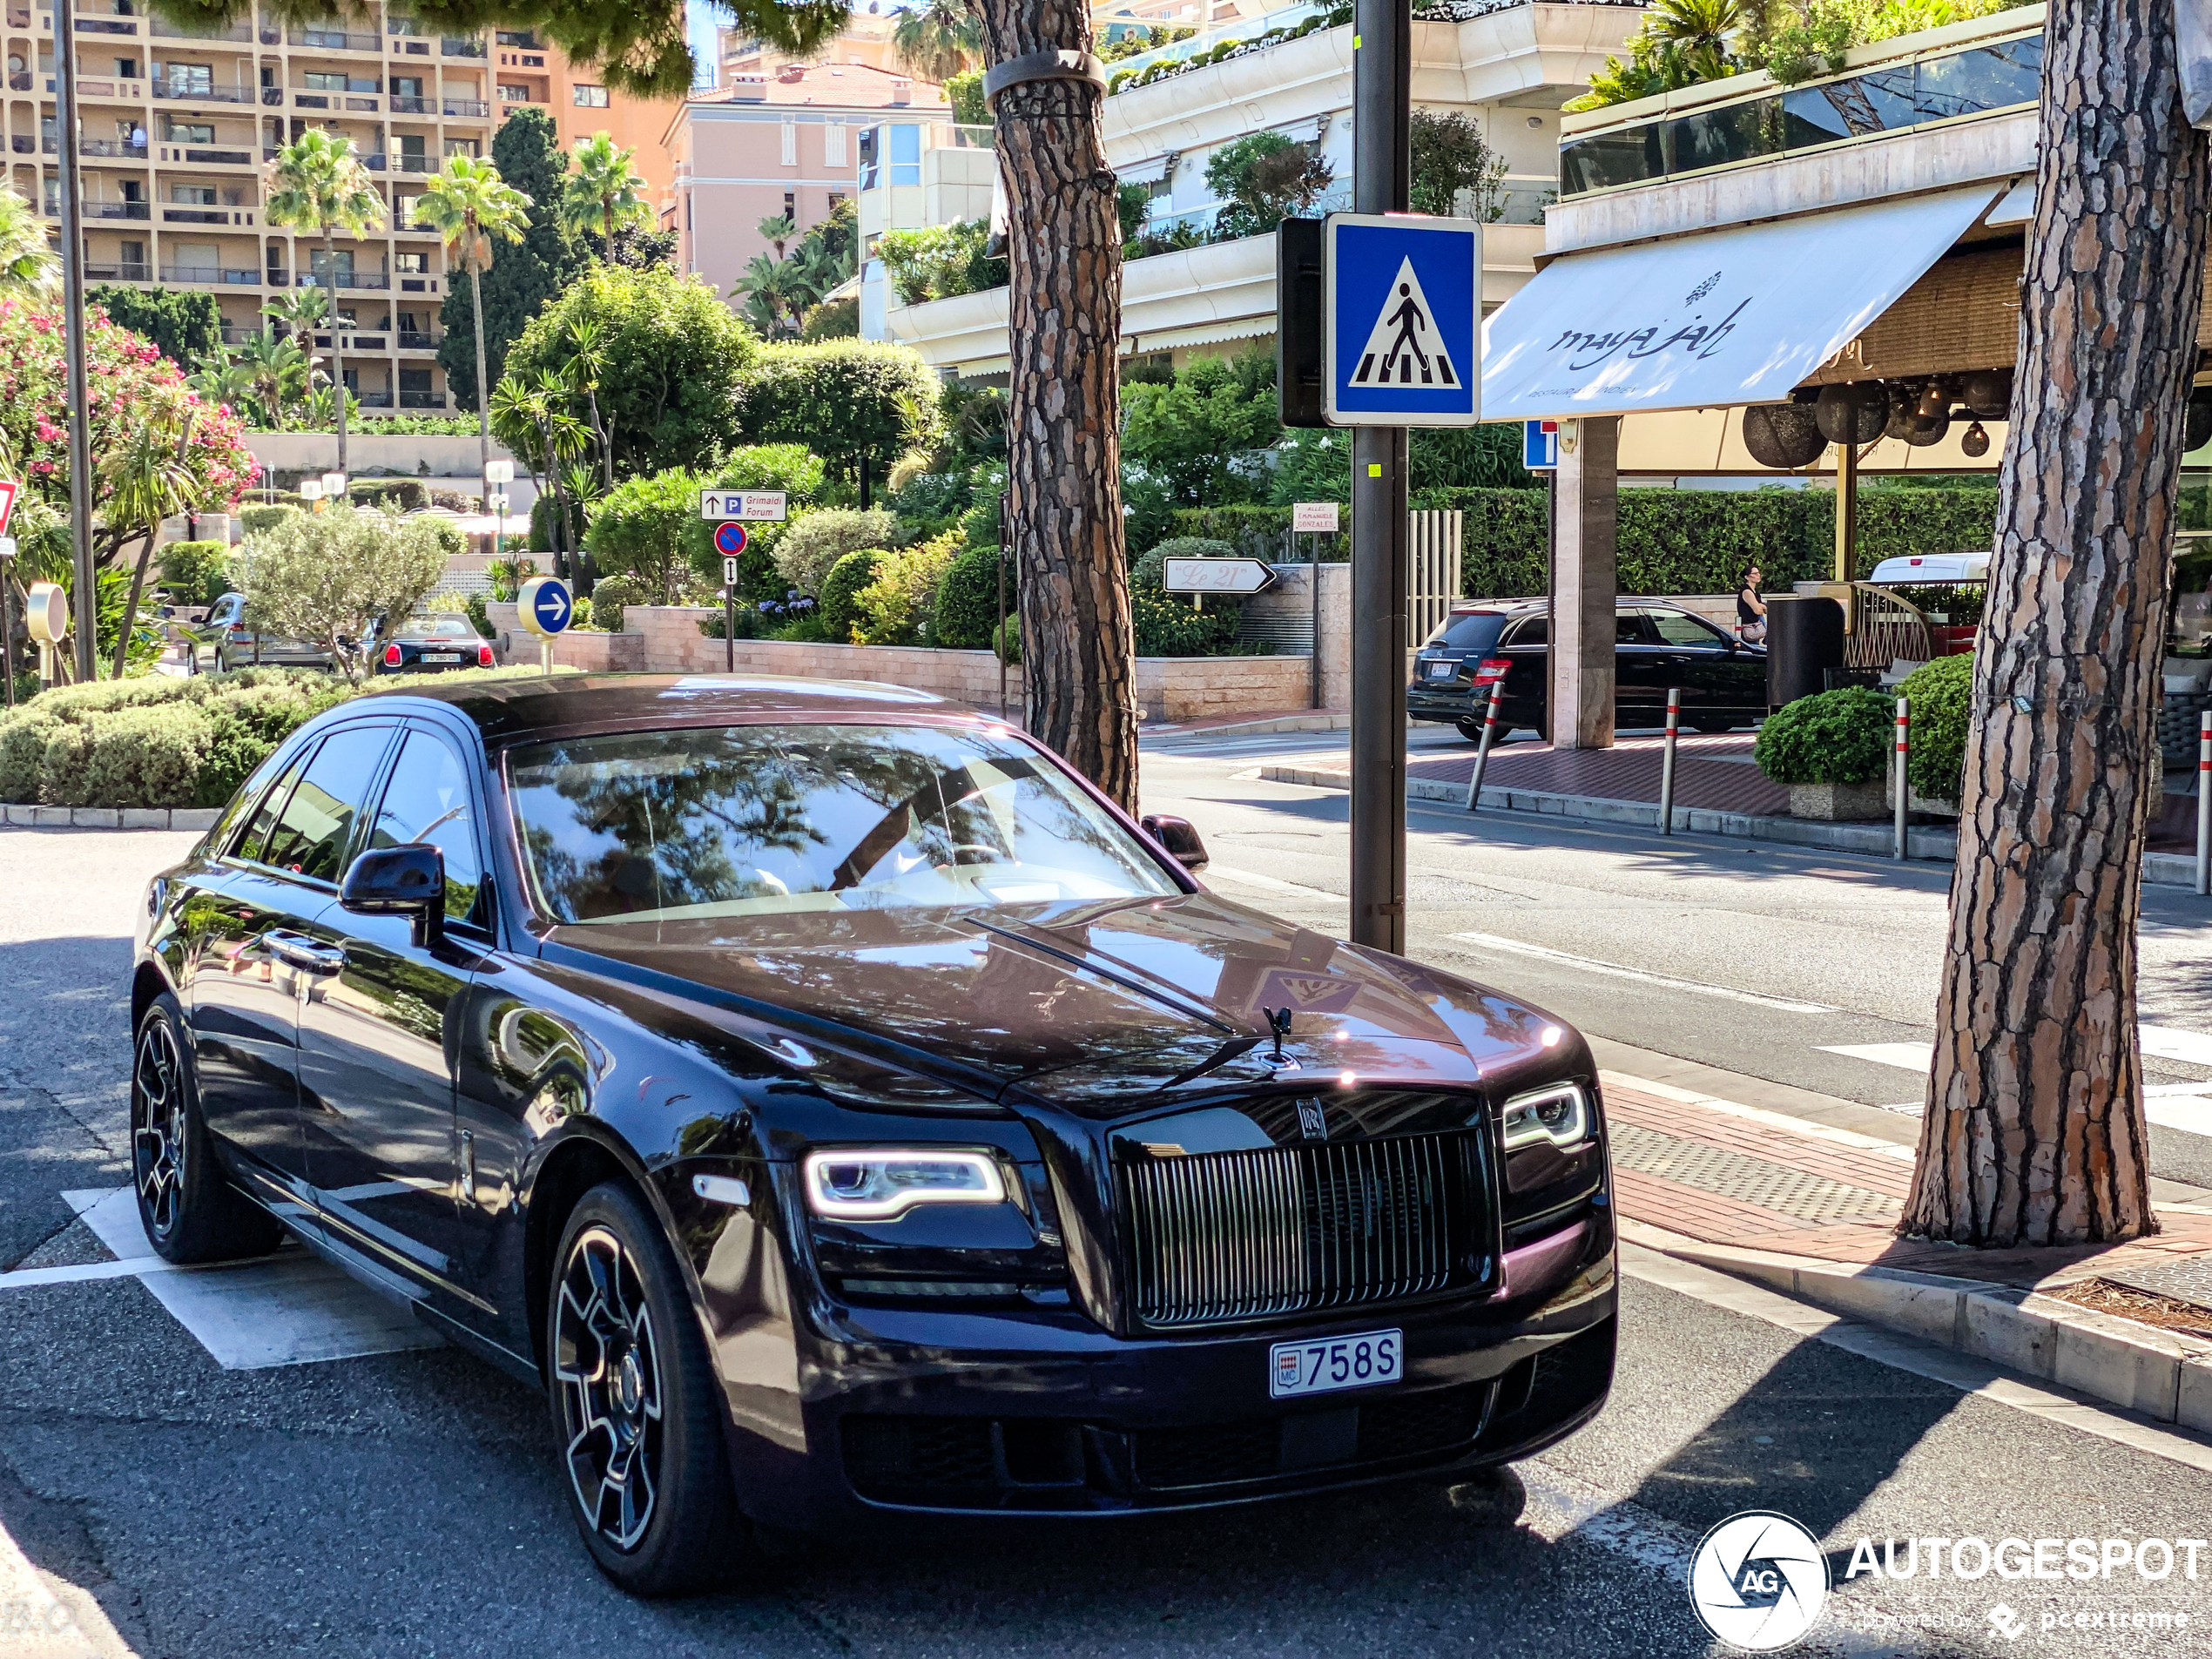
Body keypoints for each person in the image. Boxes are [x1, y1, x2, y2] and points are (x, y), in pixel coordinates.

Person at [1737, 563, 1768, 644]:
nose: (1758, 575)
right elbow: (1758, 611)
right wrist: (1762, 606)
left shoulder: (1755, 591)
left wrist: (1761, 606)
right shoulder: (1747, 591)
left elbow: (1765, 610)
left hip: (1756, 626)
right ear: (1747, 577)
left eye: (1758, 573)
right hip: (1750, 628)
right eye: (1755, 574)